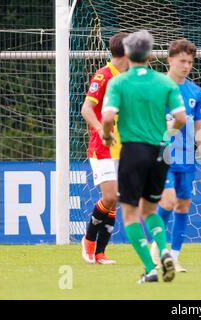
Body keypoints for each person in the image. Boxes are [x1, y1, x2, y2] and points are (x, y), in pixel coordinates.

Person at [101, 30, 187, 283]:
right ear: (150, 54)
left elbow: (107, 118)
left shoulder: (119, 82)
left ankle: (150, 268)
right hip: (161, 151)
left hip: (133, 151)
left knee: (129, 213)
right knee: (150, 210)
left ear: (127, 53)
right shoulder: (165, 83)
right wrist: (165, 133)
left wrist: (107, 136)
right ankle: (165, 252)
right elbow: (181, 118)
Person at [150, 39, 201, 273]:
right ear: (170, 60)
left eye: (190, 62)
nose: (186, 66)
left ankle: (174, 257)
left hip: (186, 157)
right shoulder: (156, 88)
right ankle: (159, 248)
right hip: (160, 155)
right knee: (168, 201)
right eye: (182, 61)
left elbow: (198, 127)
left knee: (183, 205)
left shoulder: (195, 91)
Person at [80, 32, 129, 265]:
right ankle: (89, 241)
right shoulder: (104, 75)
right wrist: (100, 128)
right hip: (103, 148)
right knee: (110, 196)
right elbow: (86, 109)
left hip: (123, 148)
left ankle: (100, 252)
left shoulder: (127, 78)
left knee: (115, 199)